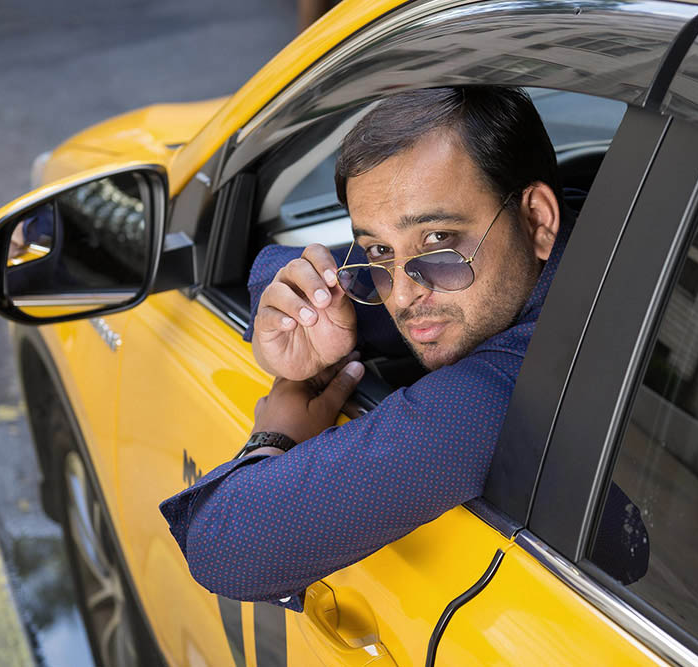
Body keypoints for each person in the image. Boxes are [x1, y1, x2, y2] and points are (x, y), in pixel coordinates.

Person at [160, 87, 648, 610]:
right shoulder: (594, 231)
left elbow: (226, 546)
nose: (400, 294)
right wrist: (306, 320)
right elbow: (281, 271)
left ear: (536, 218)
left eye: (438, 241)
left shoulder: (501, 397)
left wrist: (274, 437)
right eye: (377, 249)